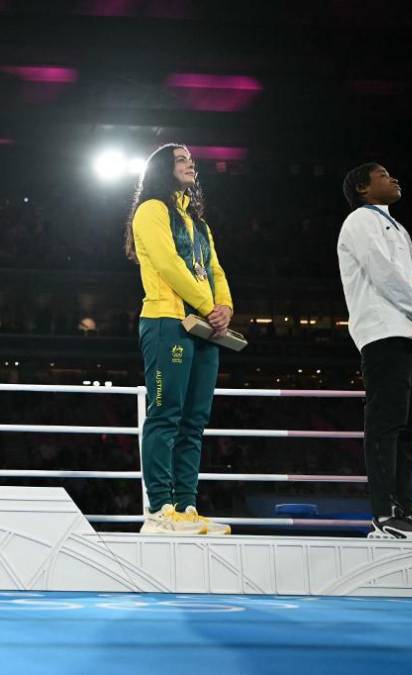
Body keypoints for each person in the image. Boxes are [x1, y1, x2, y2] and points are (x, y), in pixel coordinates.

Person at [338, 162, 412, 540]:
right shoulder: (360, 221)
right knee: (386, 423)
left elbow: (411, 282)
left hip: (409, 334)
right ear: (362, 189)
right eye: (384, 175)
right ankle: (385, 513)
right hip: (382, 333)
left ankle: (404, 509)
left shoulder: (397, 227)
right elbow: (385, 274)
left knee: (407, 426)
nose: (394, 178)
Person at [126, 143, 232, 535]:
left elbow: (215, 269)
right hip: (167, 320)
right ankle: (159, 509)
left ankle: (186, 507)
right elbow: (169, 265)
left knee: (194, 421)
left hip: (204, 326)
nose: (191, 165)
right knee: (165, 414)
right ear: (162, 169)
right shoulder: (151, 210)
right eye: (182, 160)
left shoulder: (199, 224)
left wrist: (225, 308)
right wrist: (209, 306)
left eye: (191, 160)